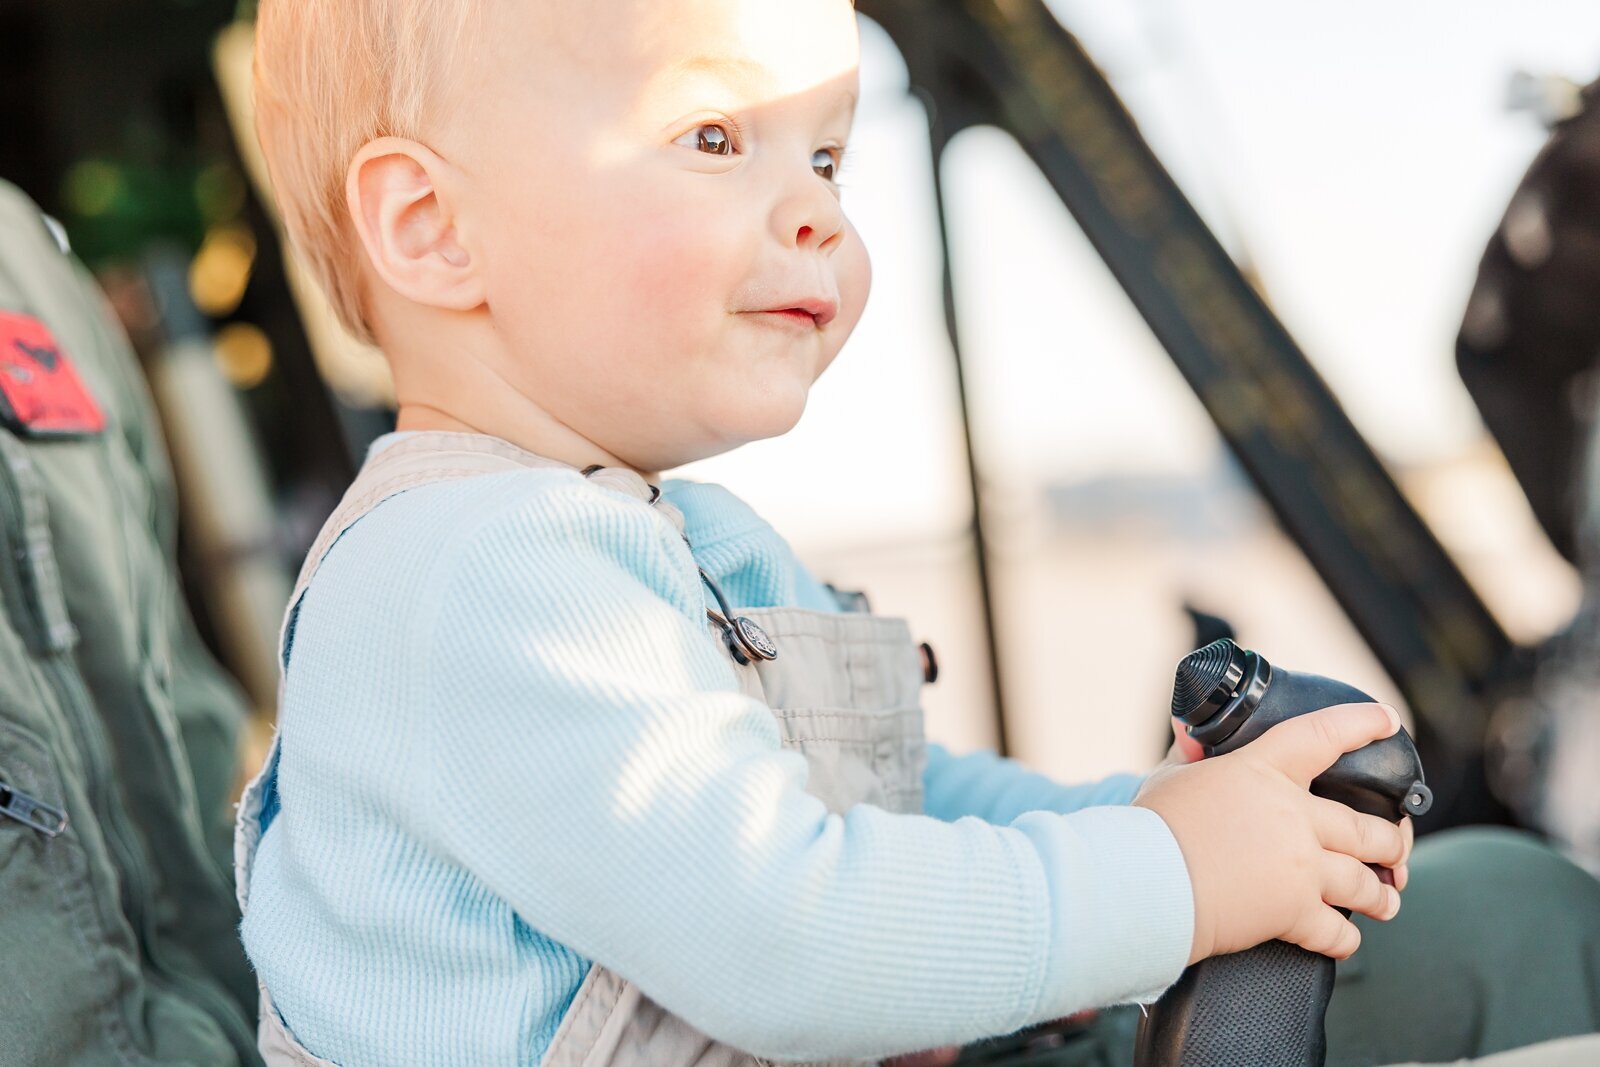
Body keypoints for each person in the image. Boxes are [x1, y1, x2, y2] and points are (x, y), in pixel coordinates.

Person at [237, 2, 1597, 1065]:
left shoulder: (680, 540)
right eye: (717, 137)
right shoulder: (473, 573)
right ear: (431, 228)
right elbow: (789, 936)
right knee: (1519, 930)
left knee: (1508, 910)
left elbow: (903, 799)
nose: (821, 207)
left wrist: (1154, 819)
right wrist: (1172, 876)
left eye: (826, 151)